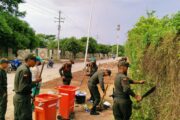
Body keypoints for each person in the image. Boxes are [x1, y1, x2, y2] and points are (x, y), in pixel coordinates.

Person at [13, 54, 42, 120]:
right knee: (25, 117)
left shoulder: (21, 67)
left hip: (20, 97)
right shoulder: (25, 70)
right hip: (22, 99)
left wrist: (30, 95)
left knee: (18, 116)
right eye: (34, 60)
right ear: (29, 60)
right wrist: (35, 82)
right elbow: (24, 87)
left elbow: (21, 85)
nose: (35, 62)